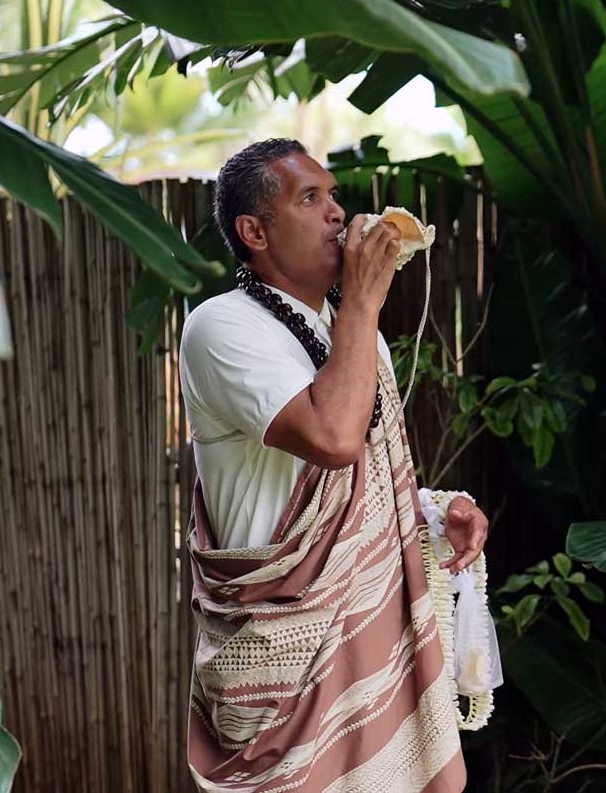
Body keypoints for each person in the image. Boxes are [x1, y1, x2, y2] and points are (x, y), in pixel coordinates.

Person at [179, 137, 489, 793]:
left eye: (335, 197)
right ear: (254, 230)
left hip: (361, 641)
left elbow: (357, 481)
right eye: (310, 197)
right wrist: (367, 302)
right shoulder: (220, 326)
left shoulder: (348, 328)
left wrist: (430, 514)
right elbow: (333, 436)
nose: (336, 215)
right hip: (277, 663)